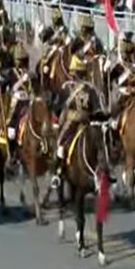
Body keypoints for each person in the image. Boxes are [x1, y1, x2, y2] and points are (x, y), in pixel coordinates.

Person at [51, 54, 104, 188]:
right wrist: (57, 120)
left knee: (102, 145)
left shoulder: (90, 89)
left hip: (88, 122)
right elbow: (58, 106)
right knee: (61, 144)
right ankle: (58, 172)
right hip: (71, 122)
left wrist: (101, 117)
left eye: (80, 74)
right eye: (76, 73)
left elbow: (96, 108)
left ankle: (104, 171)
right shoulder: (67, 88)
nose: (78, 76)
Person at [6, 44, 36, 156]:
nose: (23, 63)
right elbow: (11, 89)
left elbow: (36, 89)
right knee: (12, 130)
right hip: (17, 104)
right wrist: (21, 81)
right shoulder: (11, 73)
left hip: (29, 102)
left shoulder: (31, 74)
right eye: (21, 60)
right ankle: (13, 153)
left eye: (24, 60)